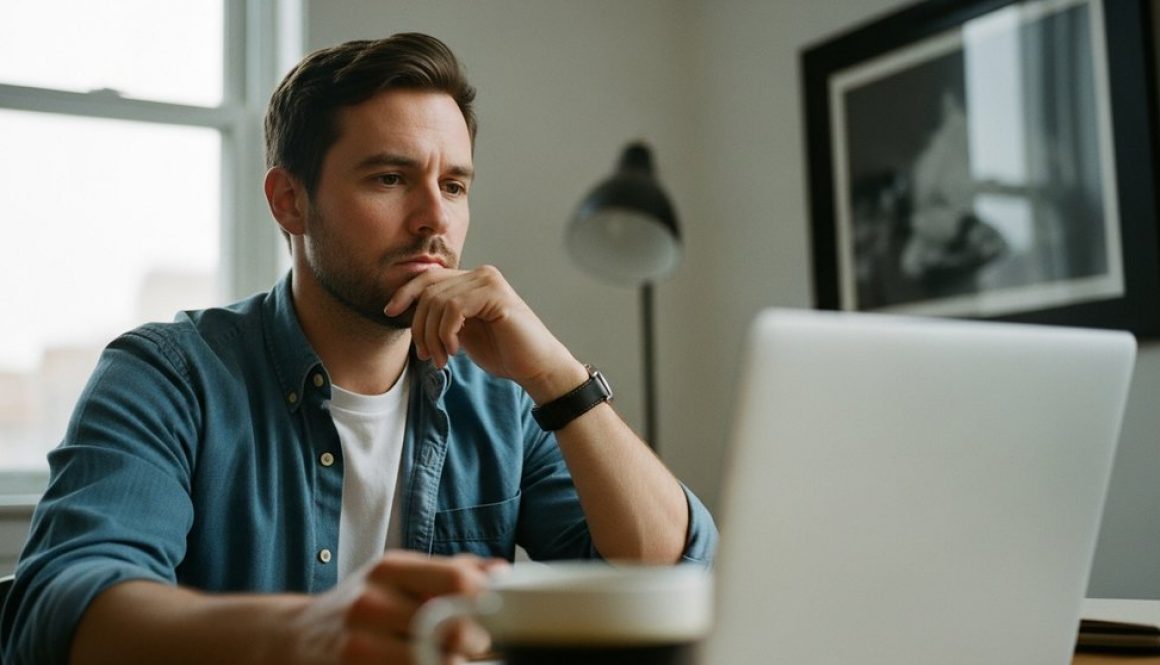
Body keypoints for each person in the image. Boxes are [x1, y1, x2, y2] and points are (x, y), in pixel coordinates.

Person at [0, 33, 716, 665]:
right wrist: (313, 633)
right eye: (390, 178)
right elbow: (62, 612)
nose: (436, 218)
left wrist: (558, 375)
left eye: (455, 184)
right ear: (290, 201)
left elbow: (674, 577)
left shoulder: (505, 399)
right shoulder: (170, 374)